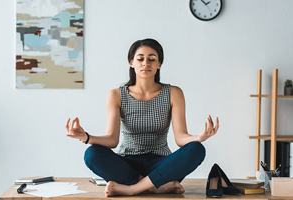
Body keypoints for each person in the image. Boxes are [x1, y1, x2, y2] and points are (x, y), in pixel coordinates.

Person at [65, 38, 219, 197]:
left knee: (196, 149)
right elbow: (112, 140)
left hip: (162, 164)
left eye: (152, 59)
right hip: (127, 163)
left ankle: (132, 188)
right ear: (131, 62)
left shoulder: (174, 93)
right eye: (140, 59)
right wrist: (87, 137)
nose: (146, 63)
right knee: (92, 154)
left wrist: (199, 137)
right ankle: (155, 187)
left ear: (159, 64)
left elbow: (181, 138)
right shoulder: (116, 95)